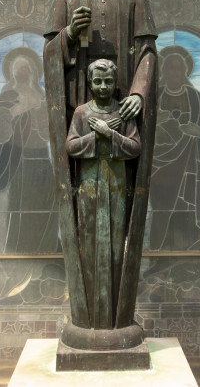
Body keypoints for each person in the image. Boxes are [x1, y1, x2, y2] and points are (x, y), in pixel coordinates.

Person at [44, 0, 157, 351]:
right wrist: (68, 36)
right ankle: (86, 319)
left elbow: (148, 52)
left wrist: (139, 94)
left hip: (123, 110)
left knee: (123, 213)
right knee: (82, 213)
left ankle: (117, 317)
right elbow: (50, 53)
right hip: (82, 111)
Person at [0, 48, 58, 299]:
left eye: (27, 68)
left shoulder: (42, 97)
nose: (23, 72)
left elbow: (49, 134)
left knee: (41, 214)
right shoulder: (5, 98)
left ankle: (41, 268)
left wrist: (39, 112)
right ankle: (10, 268)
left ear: (33, 73)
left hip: (41, 164)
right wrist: (13, 113)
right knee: (14, 217)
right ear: (12, 73)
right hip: (14, 167)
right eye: (18, 69)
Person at [65, 59, 141, 329]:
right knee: (89, 242)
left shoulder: (123, 112)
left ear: (115, 82)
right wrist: (95, 139)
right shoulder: (82, 113)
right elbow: (71, 146)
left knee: (115, 244)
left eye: (108, 81)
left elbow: (135, 148)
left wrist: (110, 134)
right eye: (97, 81)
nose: (103, 86)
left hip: (117, 184)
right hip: (88, 186)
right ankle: (91, 310)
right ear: (89, 83)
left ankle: (113, 310)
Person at [149, 45, 200, 251]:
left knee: (191, 208)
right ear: (163, 72)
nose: (174, 72)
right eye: (169, 68)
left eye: (178, 68)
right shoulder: (154, 96)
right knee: (162, 212)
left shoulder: (194, 98)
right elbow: (142, 128)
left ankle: (187, 255)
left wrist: (199, 134)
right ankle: (158, 256)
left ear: (185, 72)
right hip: (159, 169)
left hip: (189, 165)